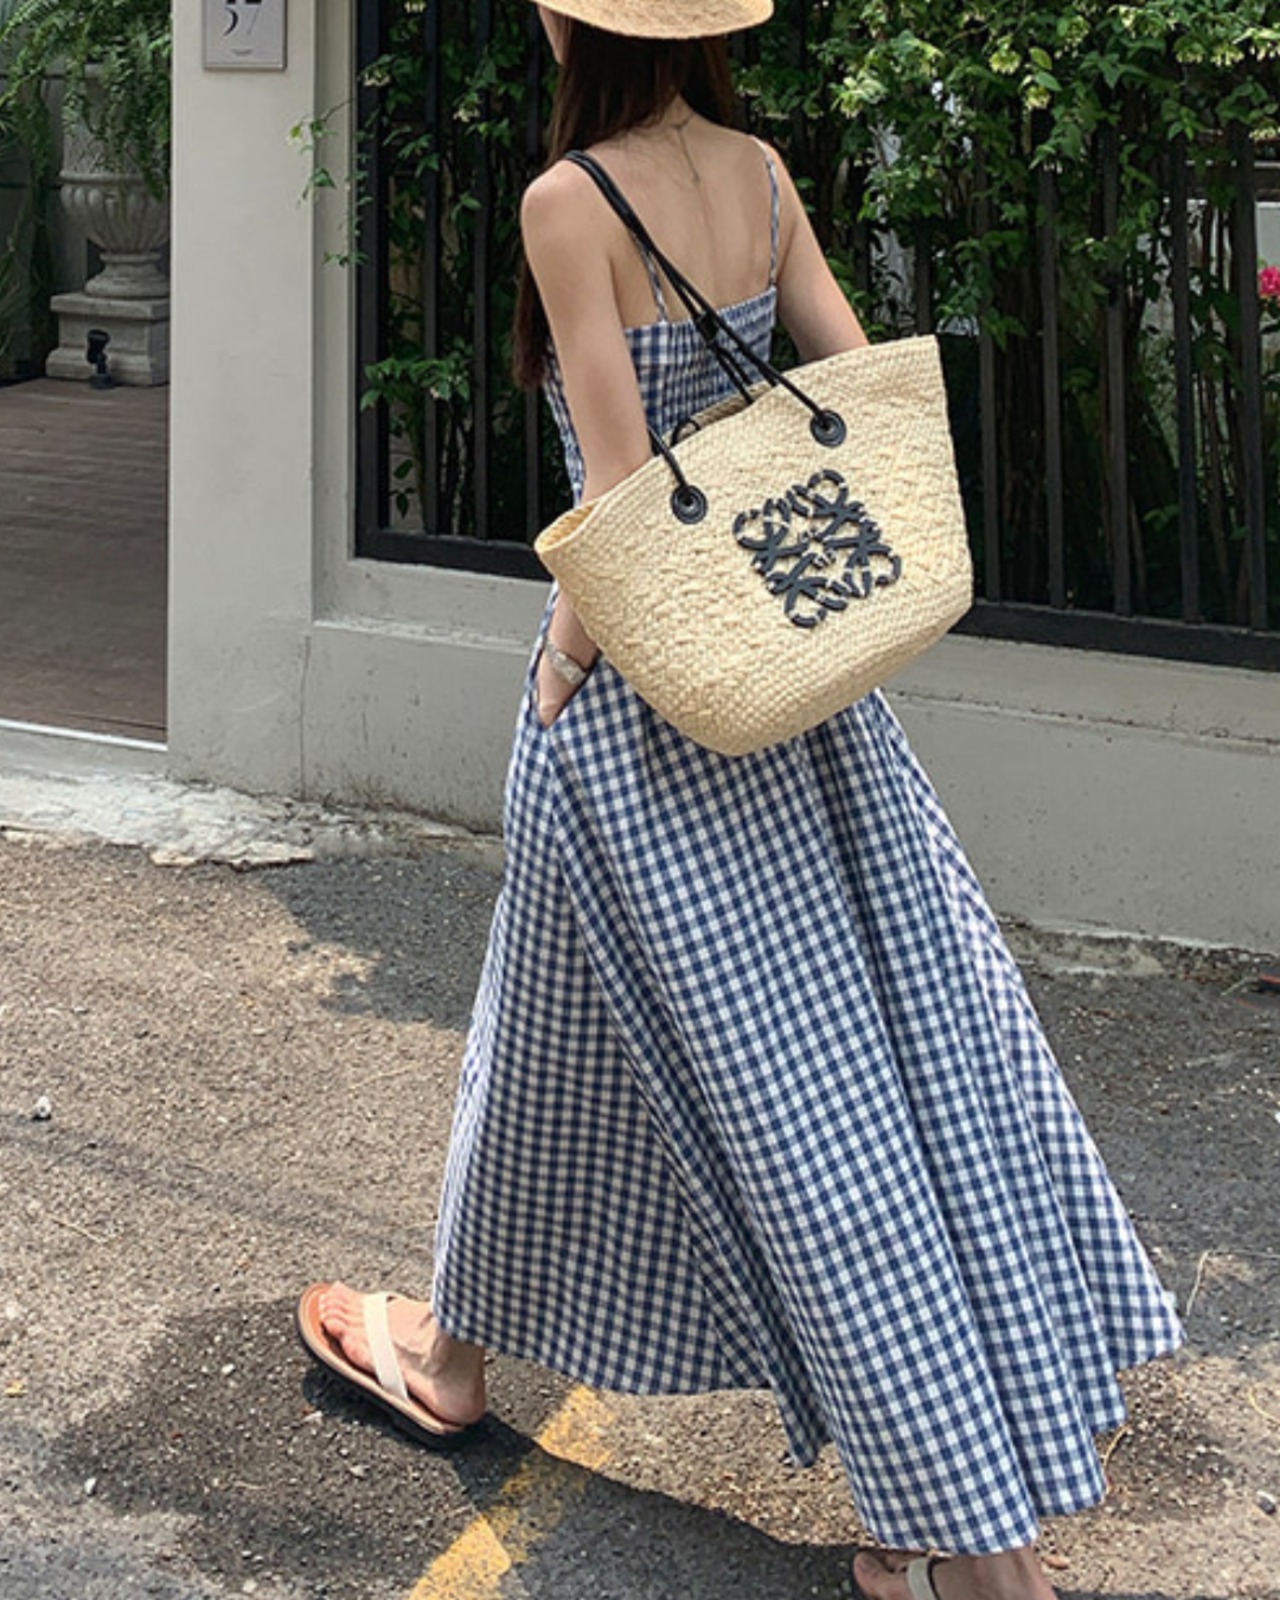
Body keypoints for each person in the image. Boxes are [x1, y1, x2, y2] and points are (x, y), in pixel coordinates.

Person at [297, 4, 1184, 1597]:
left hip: (646, 699)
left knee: (805, 1116)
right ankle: (451, 1349)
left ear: (567, 22)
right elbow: (856, 382)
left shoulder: (570, 200)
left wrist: (560, 671)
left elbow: (619, 488)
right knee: (681, 1042)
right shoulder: (763, 177)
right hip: (798, 686)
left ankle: (977, 1550)